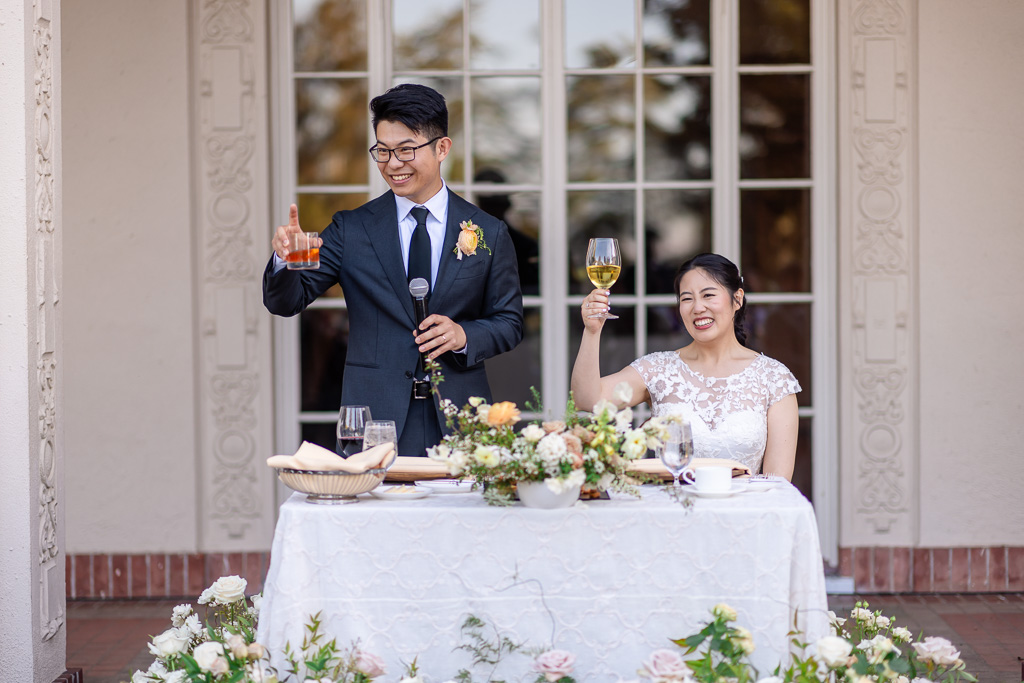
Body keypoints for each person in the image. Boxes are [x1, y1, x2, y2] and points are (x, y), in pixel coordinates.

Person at [263, 84, 524, 457]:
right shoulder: (351, 229)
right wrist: (285, 260)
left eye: (405, 150)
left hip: (460, 419)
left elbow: (510, 322)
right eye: (382, 151)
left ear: (442, 148)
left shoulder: (488, 231)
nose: (393, 163)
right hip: (373, 421)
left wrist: (464, 334)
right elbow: (286, 301)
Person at [570, 253, 799, 478]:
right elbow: (588, 400)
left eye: (708, 295)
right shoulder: (659, 369)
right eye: (687, 298)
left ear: (737, 299)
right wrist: (592, 331)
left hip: (742, 513)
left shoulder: (774, 378)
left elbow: (777, 484)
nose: (697, 308)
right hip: (672, 510)